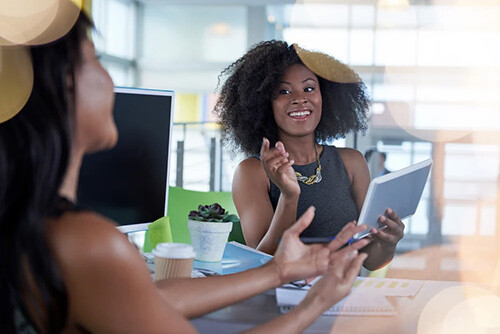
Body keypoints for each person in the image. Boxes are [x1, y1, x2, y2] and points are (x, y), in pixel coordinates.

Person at [0, 11, 372, 333]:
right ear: (64, 86)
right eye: (94, 60)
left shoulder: (36, 224)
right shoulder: (87, 242)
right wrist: (314, 304)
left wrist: (277, 272)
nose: (110, 80)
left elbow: (153, 299)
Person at [215, 40, 404, 270]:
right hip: (279, 300)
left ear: (325, 96)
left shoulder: (351, 162)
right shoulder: (252, 172)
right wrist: (289, 196)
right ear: (265, 104)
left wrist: (389, 243)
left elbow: (371, 260)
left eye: (309, 88)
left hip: (339, 296)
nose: (299, 98)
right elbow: (263, 263)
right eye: (284, 91)